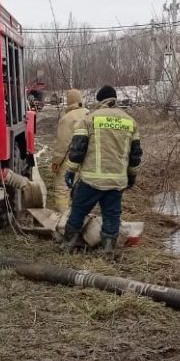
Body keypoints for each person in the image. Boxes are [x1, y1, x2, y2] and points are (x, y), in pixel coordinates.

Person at [61, 85, 142, 258]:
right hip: (116, 182)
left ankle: (68, 245)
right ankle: (108, 250)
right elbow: (135, 154)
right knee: (112, 216)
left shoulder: (90, 119)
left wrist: (70, 171)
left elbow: (78, 149)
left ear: (100, 101)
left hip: (91, 180)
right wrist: (132, 176)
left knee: (78, 210)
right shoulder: (130, 121)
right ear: (115, 100)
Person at [50, 88, 89, 211]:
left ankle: (63, 216)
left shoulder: (67, 118)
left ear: (68, 101)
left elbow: (63, 143)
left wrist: (56, 162)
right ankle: (78, 216)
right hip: (89, 157)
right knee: (81, 187)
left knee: (62, 187)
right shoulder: (89, 114)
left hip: (71, 156)